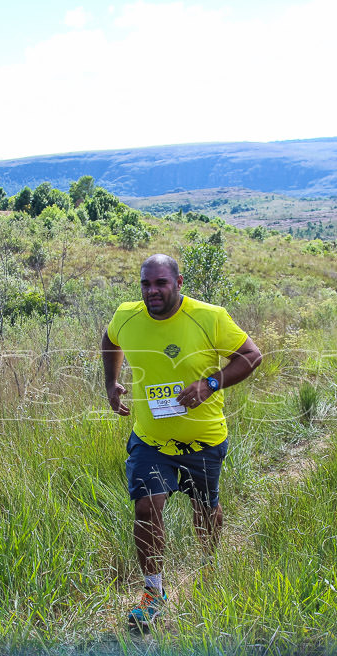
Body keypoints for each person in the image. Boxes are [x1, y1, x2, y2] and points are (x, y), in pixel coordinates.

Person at [101, 253, 262, 630]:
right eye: (145, 284)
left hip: (203, 442)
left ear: (178, 283)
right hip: (151, 441)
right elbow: (110, 339)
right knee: (145, 508)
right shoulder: (127, 315)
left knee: (205, 511)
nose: (152, 291)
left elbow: (252, 356)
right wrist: (111, 382)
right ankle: (153, 592)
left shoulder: (210, 317)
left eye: (160, 283)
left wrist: (209, 385)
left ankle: (209, 564)